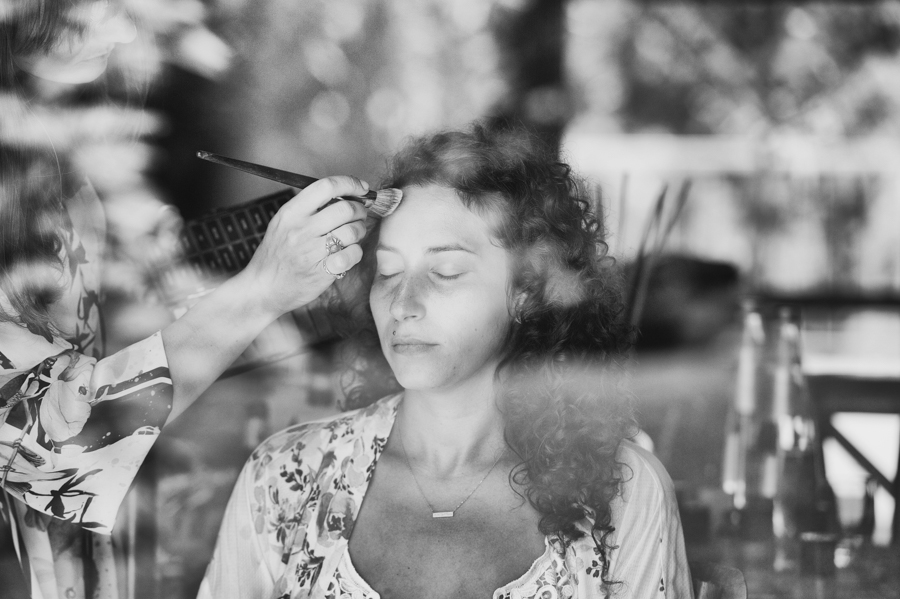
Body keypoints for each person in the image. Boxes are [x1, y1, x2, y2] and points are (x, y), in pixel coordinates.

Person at [199, 125, 693, 599]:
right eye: (388, 271)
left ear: (527, 291)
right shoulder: (285, 477)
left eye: (446, 271)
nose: (403, 303)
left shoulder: (622, 492)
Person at [1, 1, 370, 598]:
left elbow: (83, 343)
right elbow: (57, 445)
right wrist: (259, 291)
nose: (125, 30)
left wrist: (238, 271)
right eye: (103, 5)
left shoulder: (43, 142)